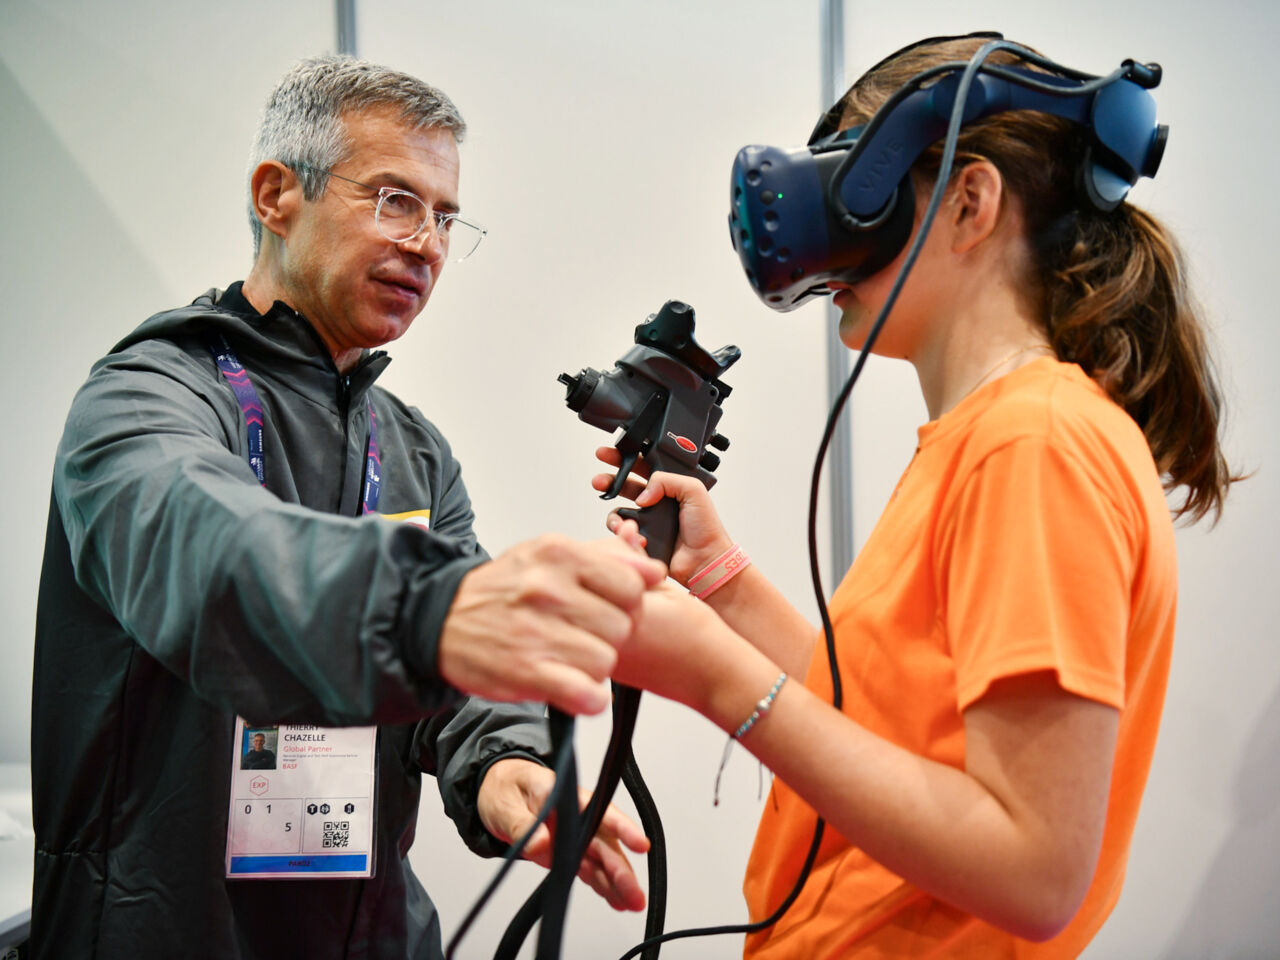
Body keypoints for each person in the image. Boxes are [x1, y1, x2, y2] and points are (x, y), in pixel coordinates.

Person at [596, 34, 1238, 958]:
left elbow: (1034, 868)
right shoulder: (985, 437)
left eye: (857, 190)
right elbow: (894, 727)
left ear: (970, 202)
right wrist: (722, 583)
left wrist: (711, 675)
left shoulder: (1036, 442)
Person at [30, 55, 661, 960]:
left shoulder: (413, 452)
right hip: (161, 927)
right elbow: (205, 549)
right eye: (396, 200)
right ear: (276, 195)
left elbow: (459, 683)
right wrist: (423, 606)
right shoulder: (144, 403)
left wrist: (506, 758)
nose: (428, 244)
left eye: (446, 217)